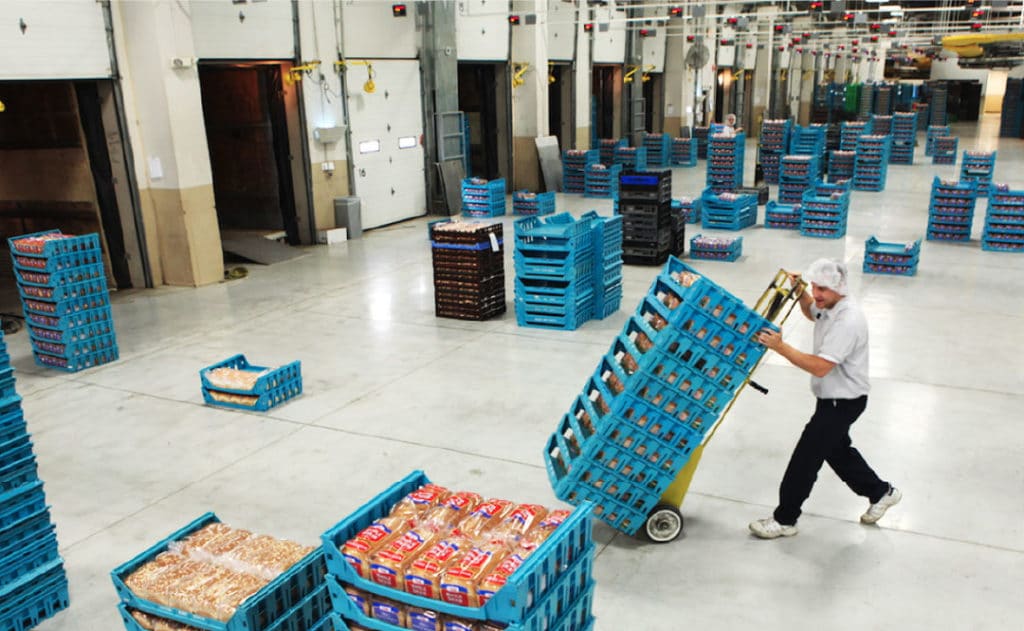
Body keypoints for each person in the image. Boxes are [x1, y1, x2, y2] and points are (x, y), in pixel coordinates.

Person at [748, 259, 901, 539]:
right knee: (838, 451)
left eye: (823, 290)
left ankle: (785, 519)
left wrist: (780, 347)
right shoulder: (831, 306)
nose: (817, 294)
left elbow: (820, 366)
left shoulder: (848, 321)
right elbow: (811, 311)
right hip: (831, 398)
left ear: (840, 289)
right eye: (814, 287)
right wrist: (799, 291)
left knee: (806, 459)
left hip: (842, 402)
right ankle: (881, 492)